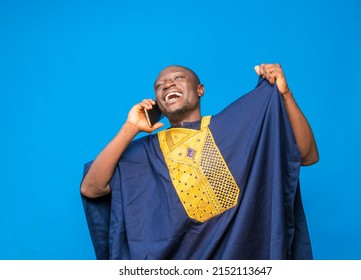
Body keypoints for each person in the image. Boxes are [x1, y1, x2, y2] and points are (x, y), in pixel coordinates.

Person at [80, 63, 319, 260]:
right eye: (160, 86)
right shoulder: (144, 154)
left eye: (178, 78)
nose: (168, 85)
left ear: (200, 89)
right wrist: (130, 128)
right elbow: (92, 188)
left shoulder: (237, 129)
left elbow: (307, 156)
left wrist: (284, 95)